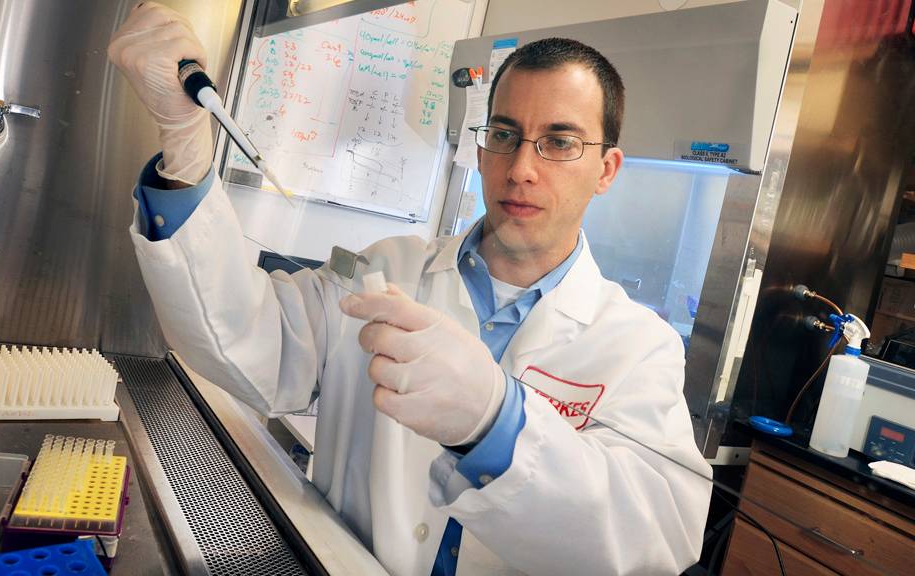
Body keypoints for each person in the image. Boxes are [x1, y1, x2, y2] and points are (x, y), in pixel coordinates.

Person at [109, 3, 711, 575]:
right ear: (482, 147)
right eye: (504, 134)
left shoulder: (639, 347)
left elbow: (656, 536)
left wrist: (495, 424)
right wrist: (186, 143)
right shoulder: (384, 270)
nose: (522, 167)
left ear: (606, 169)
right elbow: (244, 336)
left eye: (559, 143)